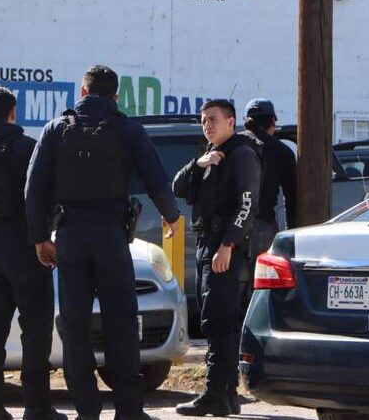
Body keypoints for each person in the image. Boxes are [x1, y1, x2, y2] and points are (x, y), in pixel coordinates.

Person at [25, 65, 181, 420]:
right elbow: (156, 178)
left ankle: (86, 410)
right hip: (111, 236)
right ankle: (128, 410)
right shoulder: (128, 130)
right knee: (121, 322)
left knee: (75, 326)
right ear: (116, 96)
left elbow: (33, 188)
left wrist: (39, 237)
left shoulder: (55, 129)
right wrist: (171, 215)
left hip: (70, 236)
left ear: (82, 92)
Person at [0, 86, 64, 420]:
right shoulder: (26, 147)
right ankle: (37, 407)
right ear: (12, 113)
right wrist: (43, 236)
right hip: (24, 243)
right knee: (36, 328)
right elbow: (41, 195)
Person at [173, 100, 262, 417]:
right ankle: (226, 395)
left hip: (225, 248)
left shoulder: (242, 155)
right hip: (205, 244)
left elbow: (247, 205)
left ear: (231, 122)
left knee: (218, 322)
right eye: (203, 120)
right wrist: (198, 164)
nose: (207, 125)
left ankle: (214, 393)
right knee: (213, 319)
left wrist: (227, 245)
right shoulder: (211, 156)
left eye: (213, 119)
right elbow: (178, 186)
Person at [243, 98, 297, 255]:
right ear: (273, 120)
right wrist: (291, 234)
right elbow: (292, 199)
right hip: (263, 227)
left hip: (228, 227)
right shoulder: (282, 152)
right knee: (263, 270)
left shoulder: (231, 144)